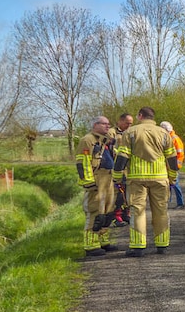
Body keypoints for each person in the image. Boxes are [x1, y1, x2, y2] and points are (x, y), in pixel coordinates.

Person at [114, 106, 178, 257]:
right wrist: (172, 177)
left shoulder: (131, 132)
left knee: (138, 212)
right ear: (153, 117)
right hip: (160, 178)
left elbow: (122, 156)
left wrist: (117, 176)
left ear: (140, 116)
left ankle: (138, 246)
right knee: (161, 211)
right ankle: (162, 245)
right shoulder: (164, 133)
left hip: (137, 178)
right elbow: (172, 158)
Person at [76, 115, 120, 256]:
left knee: (107, 213)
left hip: (108, 179)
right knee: (95, 212)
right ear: (95, 125)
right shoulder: (87, 140)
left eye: (108, 124)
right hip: (96, 181)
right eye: (104, 124)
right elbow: (83, 163)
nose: (107, 126)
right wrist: (89, 182)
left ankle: (103, 241)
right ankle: (91, 245)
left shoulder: (105, 141)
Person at [105, 113, 134, 226]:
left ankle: (126, 214)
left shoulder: (131, 132)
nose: (129, 125)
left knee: (128, 193)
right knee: (118, 194)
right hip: (116, 167)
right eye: (127, 123)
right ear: (120, 121)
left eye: (131, 123)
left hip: (128, 169)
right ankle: (117, 216)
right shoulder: (112, 133)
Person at [160, 121, 185, 209]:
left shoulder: (174, 139)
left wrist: (176, 165)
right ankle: (166, 202)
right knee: (168, 184)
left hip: (173, 165)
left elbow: (180, 153)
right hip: (168, 165)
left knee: (175, 184)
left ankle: (180, 203)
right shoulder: (168, 138)